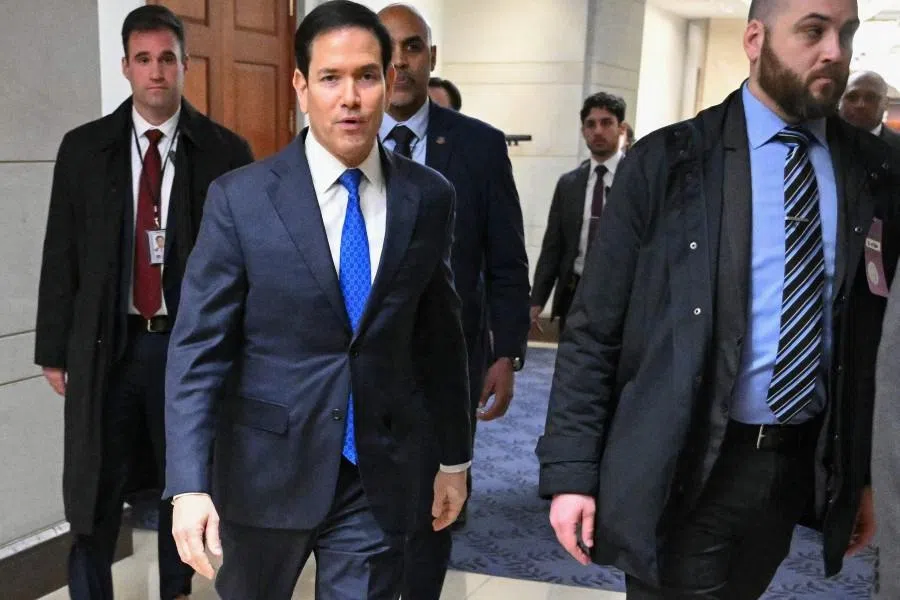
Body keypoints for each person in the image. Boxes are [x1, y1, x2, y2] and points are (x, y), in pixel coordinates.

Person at [536, 0, 898, 597]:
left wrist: (860, 475)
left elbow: (870, 341)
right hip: (683, 459)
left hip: (793, 465)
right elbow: (595, 330)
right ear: (755, 39)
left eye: (846, 33)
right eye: (813, 30)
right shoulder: (668, 163)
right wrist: (572, 472)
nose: (835, 50)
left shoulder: (876, 171)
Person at [164, 2, 471, 598]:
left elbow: (440, 336)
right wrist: (188, 484)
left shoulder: (428, 198)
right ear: (302, 87)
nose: (350, 97)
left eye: (366, 75)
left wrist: (454, 459)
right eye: (331, 78)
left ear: (389, 81)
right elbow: (199, 349)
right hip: (264, 470)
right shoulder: (242, 199)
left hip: (376, 470)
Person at [33, 5, 253, 600]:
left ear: (185, 66)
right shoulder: (85, 150)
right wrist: (54, 350)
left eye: (167, 59)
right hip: (109, 344)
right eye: (144, 59)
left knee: (179, 482)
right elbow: (61, 256)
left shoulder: (226, 153)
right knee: (94, 487)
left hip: (187, 351)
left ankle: (176, 592)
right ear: (126, 67)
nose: (156, 72)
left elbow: (246, 268)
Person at [376, 5, 530, 598]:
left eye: (412, 48)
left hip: (452, 356)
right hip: (362, 358)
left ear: (431, 57)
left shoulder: (480, 147)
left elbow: (506, 259)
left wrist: (506, 353)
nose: (399, 63)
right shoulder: (340, 138)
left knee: (439, 504)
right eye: (386, 51)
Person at [530, 92, 625, 335]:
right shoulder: (569, 184)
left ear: (621, 128)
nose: (598, 131)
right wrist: (537, 300)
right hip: (574, 293)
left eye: (606, 123)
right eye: (590, 124)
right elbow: (553, 245)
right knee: (571, 367)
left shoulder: (637, 179)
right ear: (583, 131)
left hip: (621, 296)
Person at [840, 70, 900, 150]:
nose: (860, 105)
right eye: (852, 97)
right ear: (839, 101)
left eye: (870, 98)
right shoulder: (822, 140)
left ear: (886, 104)